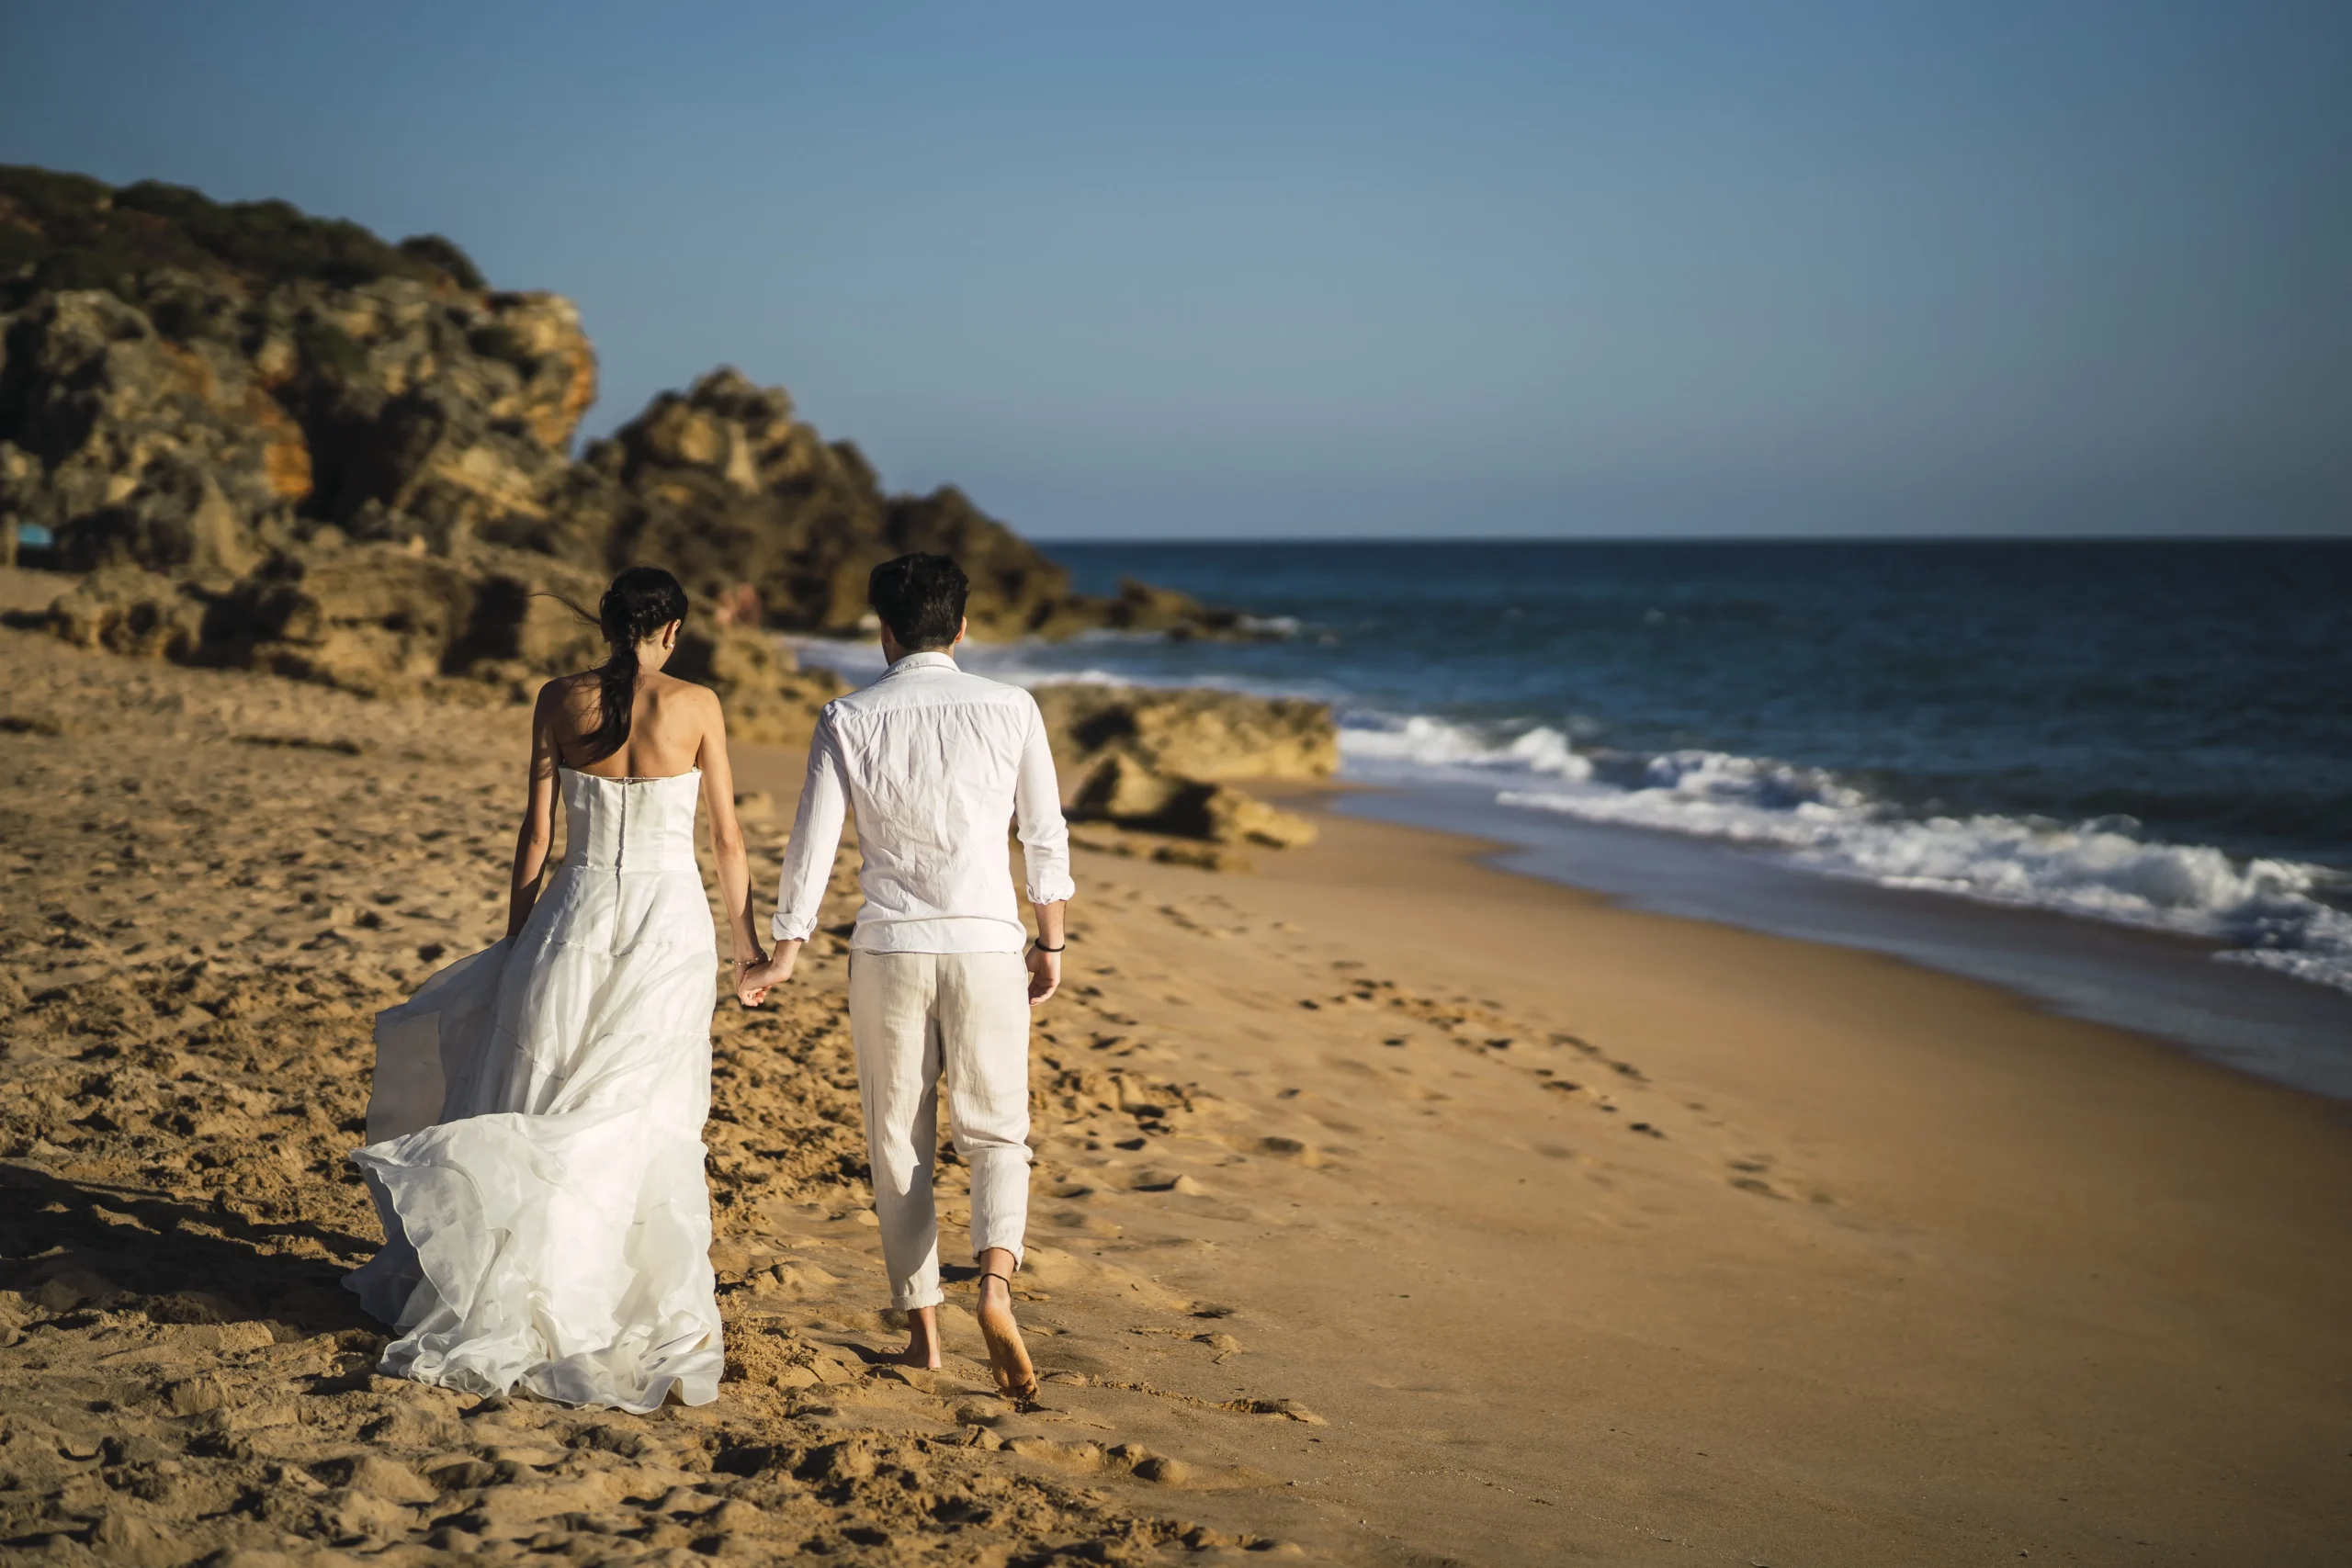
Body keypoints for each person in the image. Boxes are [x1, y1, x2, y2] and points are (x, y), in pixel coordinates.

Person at [345, 566, 765, 1413]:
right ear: (673, 631)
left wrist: (515, 937)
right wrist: (747, 945)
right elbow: (724, 837)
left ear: (609, 627)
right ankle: (612, 1291)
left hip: (575, 911)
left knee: (544, 1089)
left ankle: (531, 1277)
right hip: (667, 920)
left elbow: (537, 830)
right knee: (639, 1100)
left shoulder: (556, 698)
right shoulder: (697, 705)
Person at [738, 552, 1070, 1404]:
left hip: (888, 948)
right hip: (988, 942)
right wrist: (1051, 940)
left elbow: (811, 846)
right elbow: (1043, 833)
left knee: (898, 1140)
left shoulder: (847, 714)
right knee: (997, 1131)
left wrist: (785, 949)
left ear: (882, 630)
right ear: (962, 627)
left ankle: (925, 1335)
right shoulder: (1013, 707)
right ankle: (994, 1288)